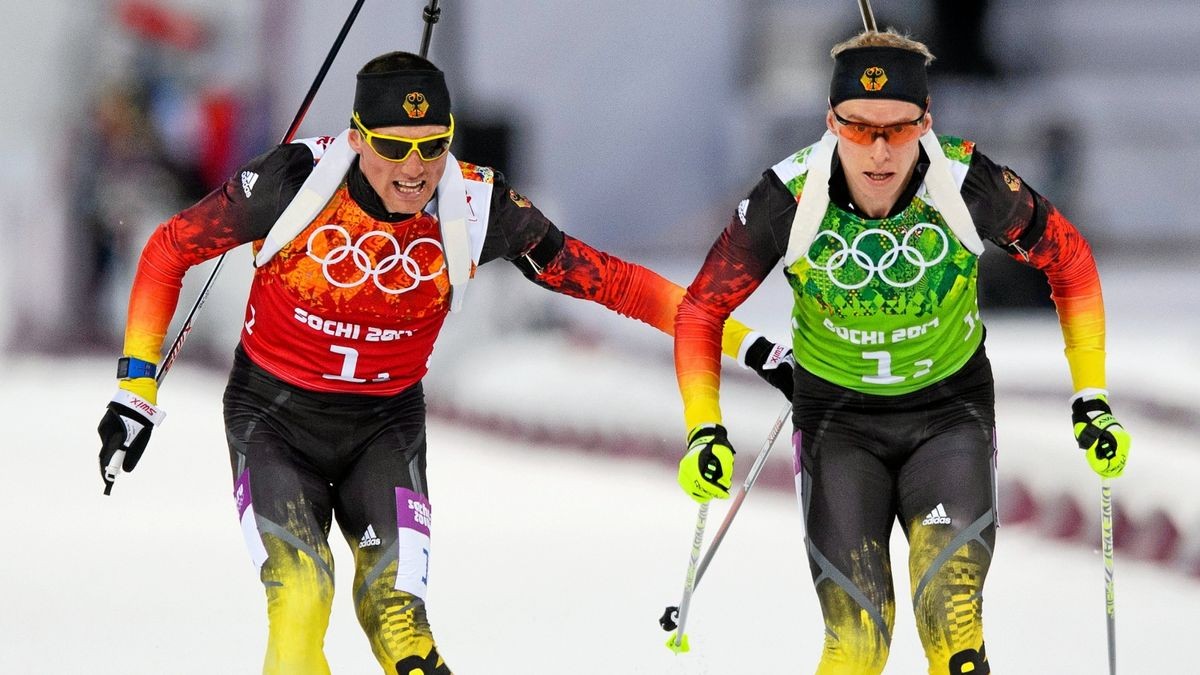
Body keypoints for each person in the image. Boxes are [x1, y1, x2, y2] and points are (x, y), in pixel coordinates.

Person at [95, 51, 786, 675]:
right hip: (274, 417)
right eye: (394, 146)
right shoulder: (291, 182)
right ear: (359, 137)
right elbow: (166, 249)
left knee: (404, 632)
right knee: (301, 600)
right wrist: (134, 390)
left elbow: (616, 282)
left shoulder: (480, 205)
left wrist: (752, 345)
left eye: (433, 146)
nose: (415, 167)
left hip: (383, 428)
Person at [672, 29, 1131, 674]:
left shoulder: (968, 181)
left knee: (951, 625)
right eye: (858, 129)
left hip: (948, 418)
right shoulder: (789, 194)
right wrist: (703, 429)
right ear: (831, 123)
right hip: (839, 425)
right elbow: (701, 309)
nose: (880, 152)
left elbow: (1071, 262)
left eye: (899, 128)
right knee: (857, 648)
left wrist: (1092, 398)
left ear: (927, 123)